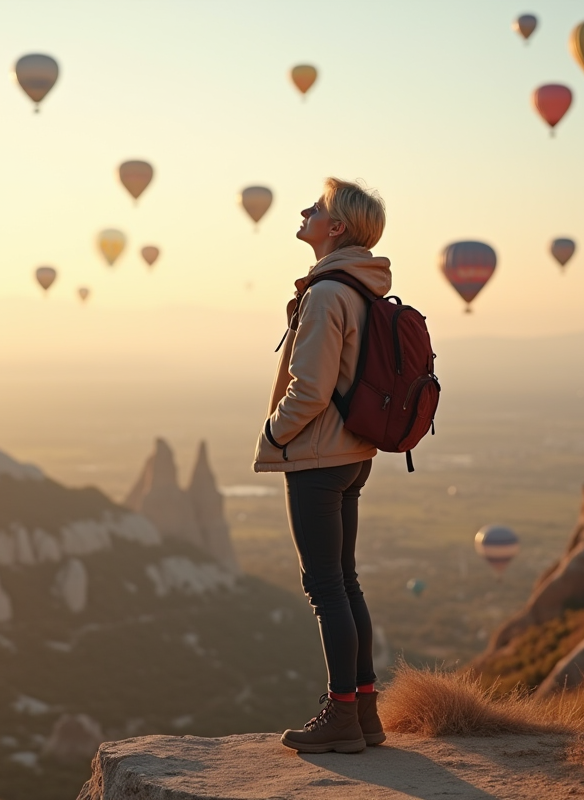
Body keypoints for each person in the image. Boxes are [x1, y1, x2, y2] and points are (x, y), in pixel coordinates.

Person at [253, 177, 391, 754]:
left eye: (319, 206)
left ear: (336, 228)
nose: (305, 209)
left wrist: (273, 433)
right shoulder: (361, 287)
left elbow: (309, 389)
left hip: (317, 455)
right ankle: (364, 713)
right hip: (353, 454)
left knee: (324, 588)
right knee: (345, 582)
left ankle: (339, 716)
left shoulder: (326, 292)